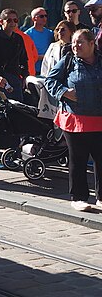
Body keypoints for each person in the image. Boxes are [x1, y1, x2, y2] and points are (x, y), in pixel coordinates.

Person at [44, 29, 102, 212]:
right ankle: (79, 197)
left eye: (80, 42)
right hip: (75, 119)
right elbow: (50, 80)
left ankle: (101, 197)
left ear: (92, 44)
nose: (75, 46)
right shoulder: (68, 60)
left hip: (99, 119)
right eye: (74, 42)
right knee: (78, 159)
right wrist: (64, 92)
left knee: (101, 160)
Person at [0, 9, 29, 169]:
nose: (13, 23)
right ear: (1, 22)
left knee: (17, 116)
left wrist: (25, 76)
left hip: (15, 82)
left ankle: (14, 153)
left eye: (15, 20)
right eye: (9, 20)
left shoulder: (18, 39)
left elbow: (24, 60)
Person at [25, 7, 52, 74]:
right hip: (33, 70)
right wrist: (41, 57)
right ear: (34, 18)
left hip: (48, 69)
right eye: (41, 16)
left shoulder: (50, 33)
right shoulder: (27, 35)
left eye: (46, 16)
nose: (44, 18)